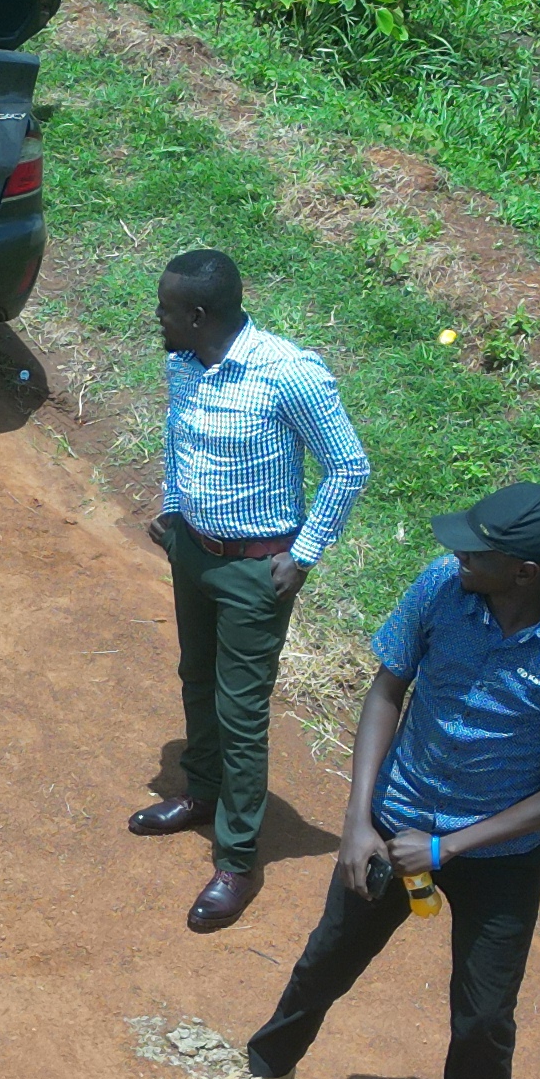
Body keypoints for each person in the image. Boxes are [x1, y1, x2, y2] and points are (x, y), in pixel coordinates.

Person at [206, 482, 540, 1079]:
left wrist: (450, 848)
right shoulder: (443, 585)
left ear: (525, 570)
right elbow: (387, 691)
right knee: (329, 954)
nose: (457, 553)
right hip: (396, 820)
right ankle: (270, 1063)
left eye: (477, 548)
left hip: (497, 859)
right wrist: (359, 822)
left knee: (484, 1018)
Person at [125, 249, 370, 933]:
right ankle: (201, 793)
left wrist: (305, 555)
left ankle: (236, 858)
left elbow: (349, 466)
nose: (157, 317)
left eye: (167, 308)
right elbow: (182, 443)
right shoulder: (184, 362)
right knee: (195, 678)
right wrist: (175, 512)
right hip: (192, 554)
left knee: (240, 710)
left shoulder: (287, 374)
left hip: (257, 571)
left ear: (198, 315)